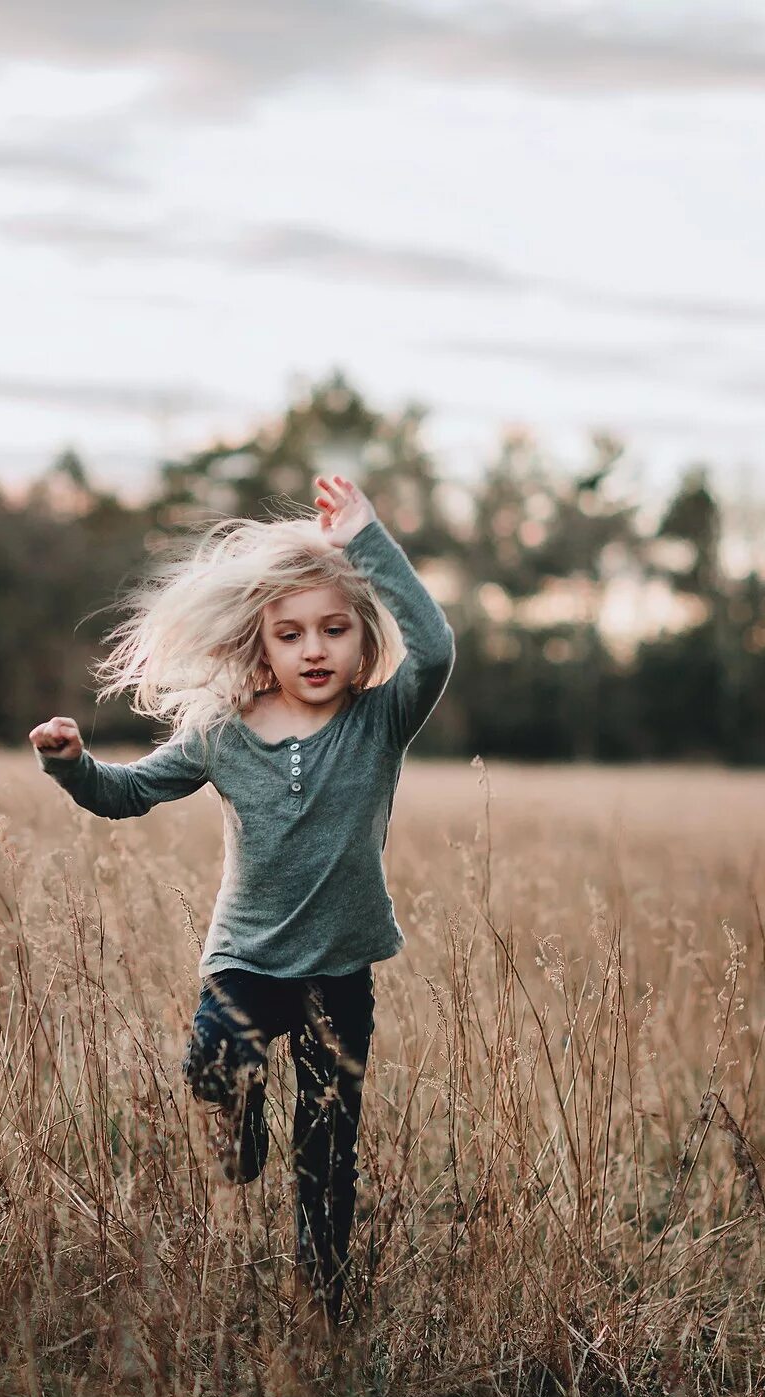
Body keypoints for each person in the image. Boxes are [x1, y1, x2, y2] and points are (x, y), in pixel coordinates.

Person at [28, 474, 454, 1328]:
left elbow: (437, 648)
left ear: (364, 640)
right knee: (213, 1068)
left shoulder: (380, 723)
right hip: (246, 961)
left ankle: (324, 1299)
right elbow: (129, 793)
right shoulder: (222, 734)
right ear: (263, 647)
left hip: (341, 969)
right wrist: (71, 763)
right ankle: (239, 1132)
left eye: (335, 630)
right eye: (291, 634)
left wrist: (367, 538)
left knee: (329, 1152)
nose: (315, 649)